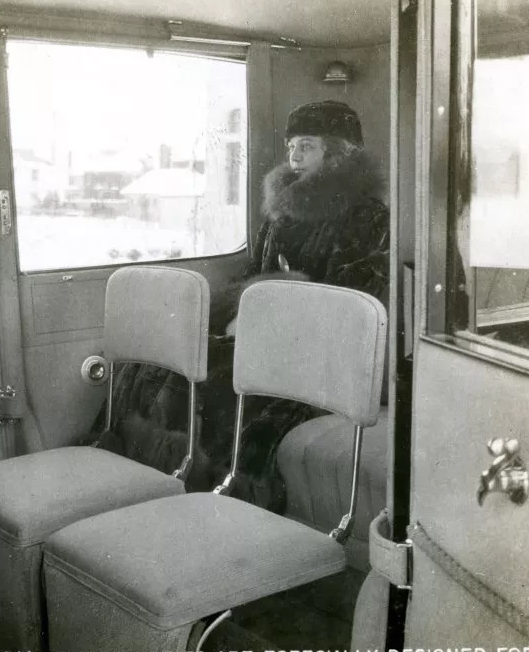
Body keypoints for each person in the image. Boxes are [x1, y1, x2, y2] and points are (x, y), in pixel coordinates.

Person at [90, 100, 389, 512]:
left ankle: (211, 498)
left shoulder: (369, 218)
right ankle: (141, 482)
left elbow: (355, 302)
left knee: (216, 380)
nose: (293, 156)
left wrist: (270, 305)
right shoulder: (282, 215)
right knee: (155, 365)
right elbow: (249, 276)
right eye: (291, 147)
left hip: (318, 355)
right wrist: (234, 314)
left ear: (337, 154)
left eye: (307, 146)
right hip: (263, 336)